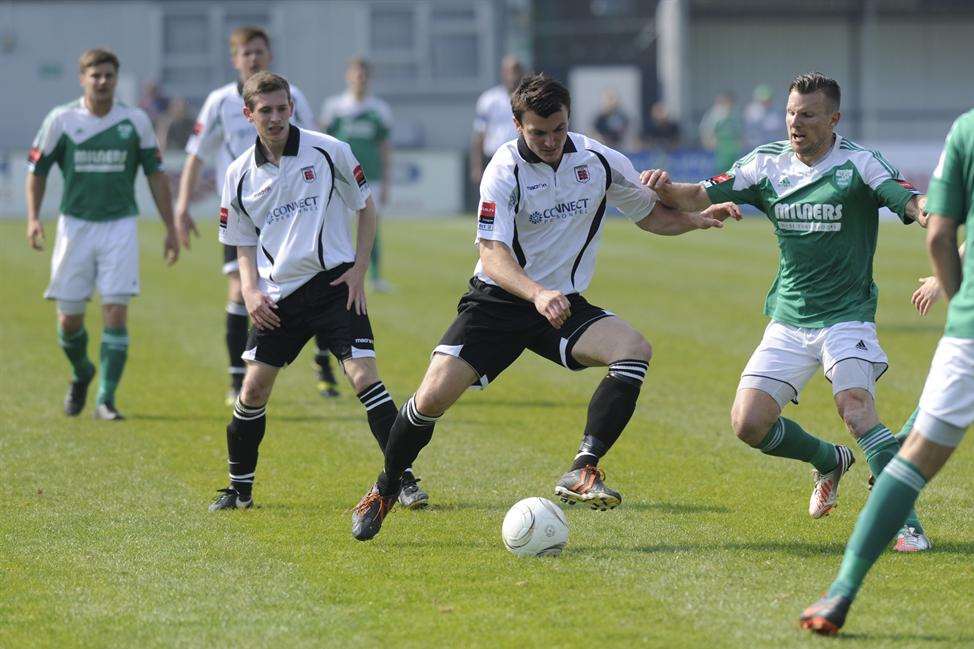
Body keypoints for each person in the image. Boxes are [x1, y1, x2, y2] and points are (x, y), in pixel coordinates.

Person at [349, 74, 741, 541]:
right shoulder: (504, 169)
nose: (551, 141)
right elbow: (492, 256)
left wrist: (696, 221)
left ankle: (583, 468)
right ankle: (386, 487)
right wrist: (535, 293)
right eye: (539, 132)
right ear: (517, 125)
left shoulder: (597, 159)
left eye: (558, 128)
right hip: (499, 301)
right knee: (430, 399)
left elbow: (650, 214)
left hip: (562, 303)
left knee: (633, 350)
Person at [642, 72, 929, 542]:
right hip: (790, 319)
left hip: (846, 315)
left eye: (808, 114)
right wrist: (663, 186)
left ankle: (907, 525)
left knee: (856, 410)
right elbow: (696, 195)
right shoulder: (766, 163)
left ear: (833, 118)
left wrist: (927, 212)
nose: (796, 122)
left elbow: (907, 197)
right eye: (792, 112)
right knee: (748, 423)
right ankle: (828, 460)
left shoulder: (859, 163)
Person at [208, 72, 427, 511]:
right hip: (279, 296)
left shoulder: (329, 151)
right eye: (264, 110)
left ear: (292, 107)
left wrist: (360, 269)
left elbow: (366, 209)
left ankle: (402, 480)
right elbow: (242, 239)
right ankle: (239, 490)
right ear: (248, 114)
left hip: (334, 285)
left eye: (282, 108)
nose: (275, 117)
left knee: (363, 376)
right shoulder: (237, 175)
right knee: (252, 392)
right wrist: (250, 291)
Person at [800, 108, 974, 635]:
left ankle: (839, 593)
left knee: (912, 460)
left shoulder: (967, 129)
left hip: (970, 330)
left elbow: (939, 234)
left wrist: (957, 289)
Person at [172, 26, 332, 405]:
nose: (253, 59)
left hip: (291, 212)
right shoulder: (219, 102)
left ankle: (324, 360)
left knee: (315, 283)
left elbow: (319, 144)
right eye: (246, 53)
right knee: (241, 292)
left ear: (269, 55)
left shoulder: (292, 97)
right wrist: (182, 206)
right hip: (244, 211)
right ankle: (236, 378)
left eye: (259, 51)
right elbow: (197, 153)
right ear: (235, 59)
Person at [25, 48, 179, 420]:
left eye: (108, 75)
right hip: (74, 227)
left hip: (119, 226)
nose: (102, 81)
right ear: (83, 79)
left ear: (116, 78)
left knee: (115, 312)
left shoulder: (135, 121)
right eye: (95, 75)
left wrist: (170, 226)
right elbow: (38, 170)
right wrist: (33, 218)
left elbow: (156, 176)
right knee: (69, 320)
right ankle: (82, 372)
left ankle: (105, 400)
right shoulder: (61, 119)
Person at [320, 58, 394, 295]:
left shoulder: (379, 109)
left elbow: (384, 146)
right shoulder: (334, 107)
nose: (360, 78)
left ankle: (375, 277)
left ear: (369, 78)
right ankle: (333, 274)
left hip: (369, 177)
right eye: (356, 74)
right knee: (336, 226)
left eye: (364, 75)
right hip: (340, 179)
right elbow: (323, 143)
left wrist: (387, 180)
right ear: (348, 76)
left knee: (372, 226)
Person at [469, 55, 524, 188]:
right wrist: (477, 166)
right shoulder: (489, 99)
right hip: (494, 157)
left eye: (515, 70)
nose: (512, 75)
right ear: (502, 73)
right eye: (508, 71)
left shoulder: (528, 99)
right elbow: (479, 135)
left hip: (521, 158)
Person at [699, 91, 743, 174]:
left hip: (732, 147)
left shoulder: (735, 114)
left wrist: (740, 141)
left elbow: (739, 130)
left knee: (733, 171)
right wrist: (708, 141)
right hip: (720, 147)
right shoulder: (715, 114)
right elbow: (707, 129)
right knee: (720, 170)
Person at [743, 84, 780, 151]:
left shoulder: (775, 111)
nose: (766, 102)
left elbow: (774, 127)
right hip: (753, 146)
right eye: (763, 100)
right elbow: (749, 127)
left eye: (768, 100)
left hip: (770, 146)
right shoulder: (751, 109)